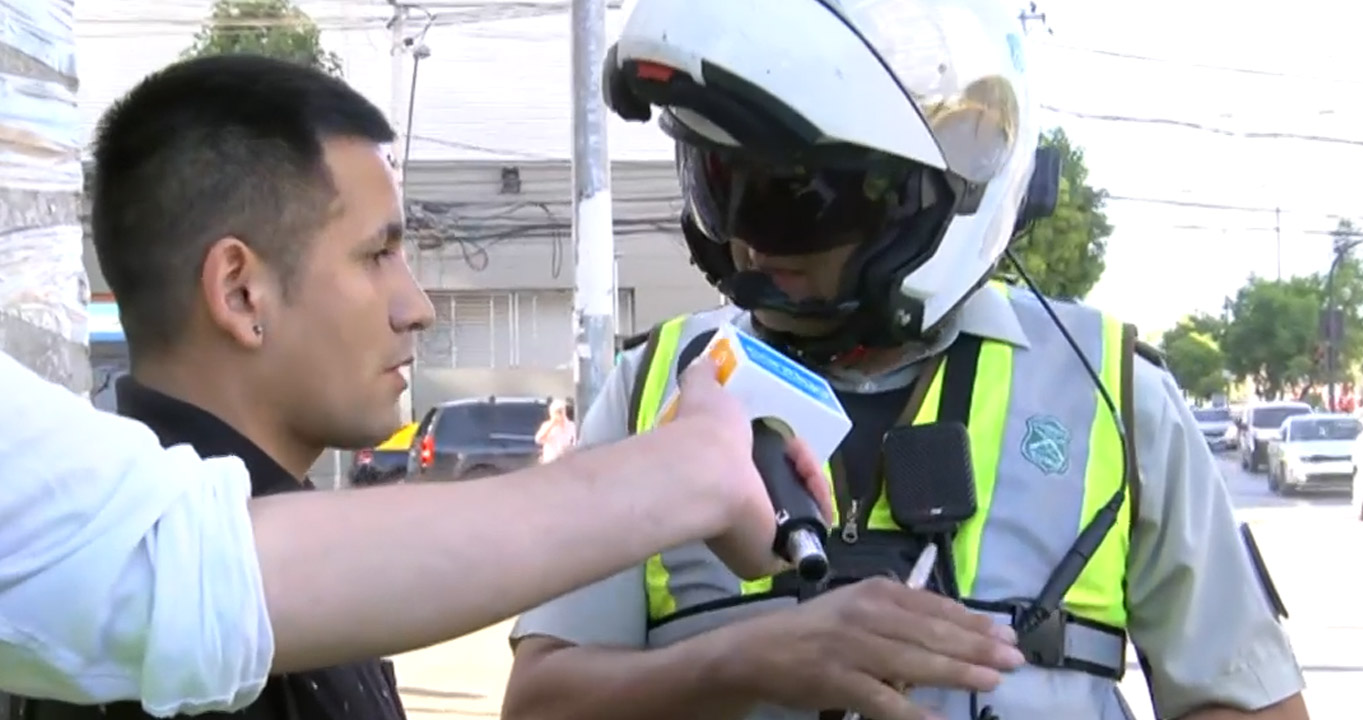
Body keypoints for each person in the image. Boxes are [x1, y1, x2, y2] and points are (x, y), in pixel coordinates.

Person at [500, 1, 1311, 720]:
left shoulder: (1110, 391)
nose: (747, 239)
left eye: (798, 200)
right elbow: (540, 701)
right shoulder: (655, 388)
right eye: (719, 185)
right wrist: (741, 661)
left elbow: (1248, 701)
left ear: (931, 195)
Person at [0, 54, 829, 719]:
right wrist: (691, 473)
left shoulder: (184, 587)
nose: (418, 306)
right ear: (242, 293)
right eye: (377, 254)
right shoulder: (159, 661)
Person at [536, 398, 578, 463]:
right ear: (551, 413)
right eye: (557, 412)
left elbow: (575, 443)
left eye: (561, 411)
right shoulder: (547, 425)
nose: (560, 414)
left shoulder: (571, 425)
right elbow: (539, 439)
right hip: (551, 462)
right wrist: (552, 424)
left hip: (567, 462)